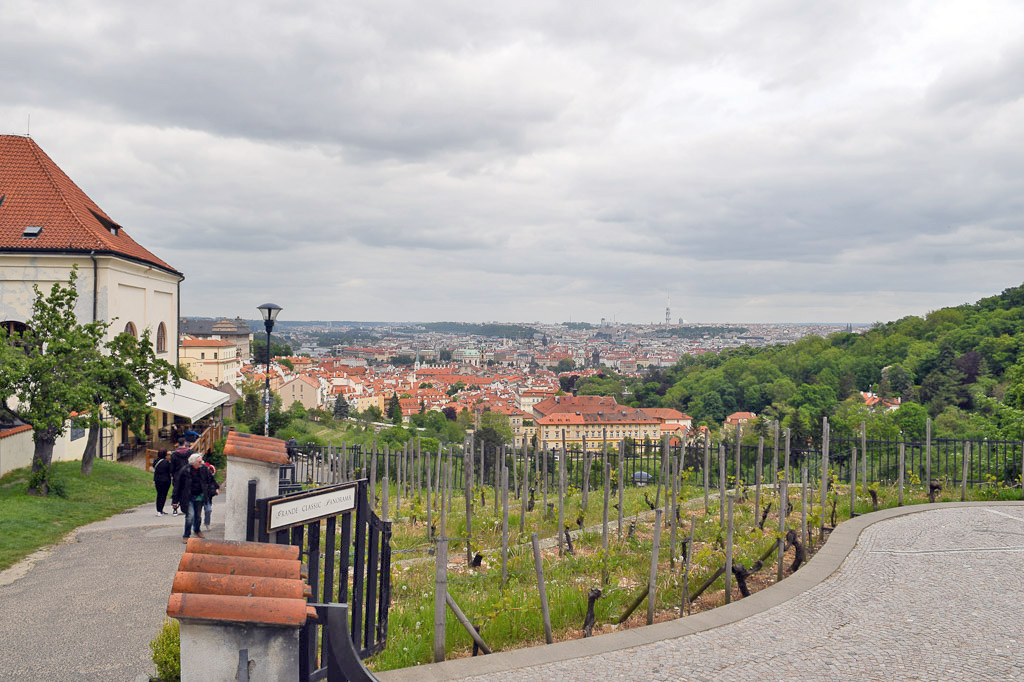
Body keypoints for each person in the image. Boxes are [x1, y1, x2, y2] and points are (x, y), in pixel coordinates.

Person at [173, 453, 217, 544]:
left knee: (198, 516)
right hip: (187, 497)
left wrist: (215, 489)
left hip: (200, 496)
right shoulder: (185, 470)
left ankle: (197, 530)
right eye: (199, 461)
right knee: (190, 516)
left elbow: (211, 481)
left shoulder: (204, 469)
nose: (201, 463)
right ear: (193, 463)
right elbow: (177, 486)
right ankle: (186, 535)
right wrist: (175, 500)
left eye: (201, 461)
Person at [169, 439, 192, 516]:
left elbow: (172, 466)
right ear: (185, 443)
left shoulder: (174, 454)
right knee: (187, 491)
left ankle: (175, 508)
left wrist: (172, 473)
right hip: (188, 475)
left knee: (176, 491)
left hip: (177, 475)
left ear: (178, 444)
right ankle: (187, 507)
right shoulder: (190, 453)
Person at [202, 458, 220, 529]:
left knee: (208, 510)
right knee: (196, 513)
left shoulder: (208, 473)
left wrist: (216, 488)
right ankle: (196, 525)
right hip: (197, 495)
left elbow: (213, 481)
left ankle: (207, 523)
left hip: (207, 496)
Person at [152, 449, 172, 516]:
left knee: (159, 495)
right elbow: (170, 470)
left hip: (157, 479)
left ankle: (159, 510)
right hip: (166, 480)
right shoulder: (166, 462)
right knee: (163, 495)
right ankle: (160, 510)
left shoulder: (155, 461)